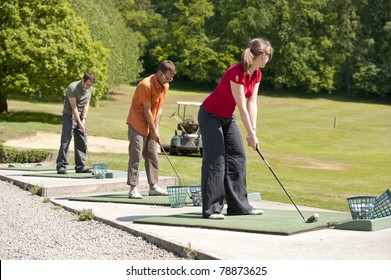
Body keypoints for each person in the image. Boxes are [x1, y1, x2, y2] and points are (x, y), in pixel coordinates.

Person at [198, 38, 274, 219]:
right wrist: (250, 134)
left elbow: (252, 104)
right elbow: (241, 106)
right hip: (210, 116)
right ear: (263, 55)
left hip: (226, 117)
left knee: (237, 156)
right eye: (269, 55)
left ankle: (239, 206)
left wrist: (253, 133)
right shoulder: (236, 72)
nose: (269, 59)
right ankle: (212, 209)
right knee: (217, 159)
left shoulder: (256, 74)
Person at [126, 60, 176, 199]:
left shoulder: (165, 86)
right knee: (136, 154)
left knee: (152, 154)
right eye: (167, 77)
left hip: (151, 124)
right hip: (137, 122)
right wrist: (153, 129)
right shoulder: (145, 85)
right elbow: (147, 110)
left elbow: (159, 109)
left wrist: (156, 129)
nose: (168, 81)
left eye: (171, 78)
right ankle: (133, 188)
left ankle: (153, 186)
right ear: (159, 73)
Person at [56, 72, 95, 175]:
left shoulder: (89, 88)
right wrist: (79, 121)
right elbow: (74, 108)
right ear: (83, 80)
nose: (88, 87)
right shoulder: (72, 87)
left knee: (82, 139)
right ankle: (61, 165)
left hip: (81, 115)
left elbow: (86, 104)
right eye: (87, 84)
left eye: (90, 85)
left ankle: (80, 166)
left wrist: (83, 120)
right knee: (66, 139)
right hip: (69, 114)